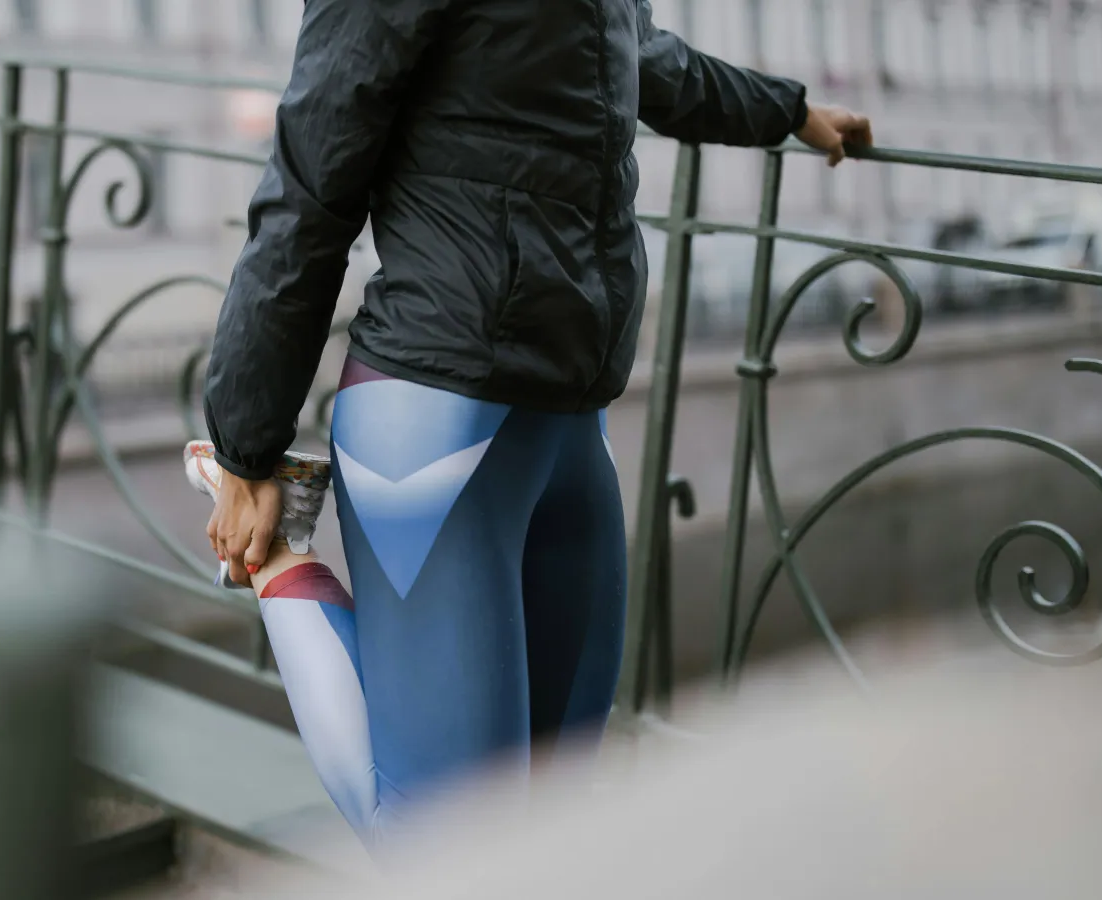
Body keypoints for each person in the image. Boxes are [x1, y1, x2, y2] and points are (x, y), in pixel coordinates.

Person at [187, 0, 873, 851]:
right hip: (435, 411)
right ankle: (280, 557)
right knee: (443, 842)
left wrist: (788, 111)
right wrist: (247, 446)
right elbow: (309, 189)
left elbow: (641, 60)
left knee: (550, 834)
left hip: (571, 415)